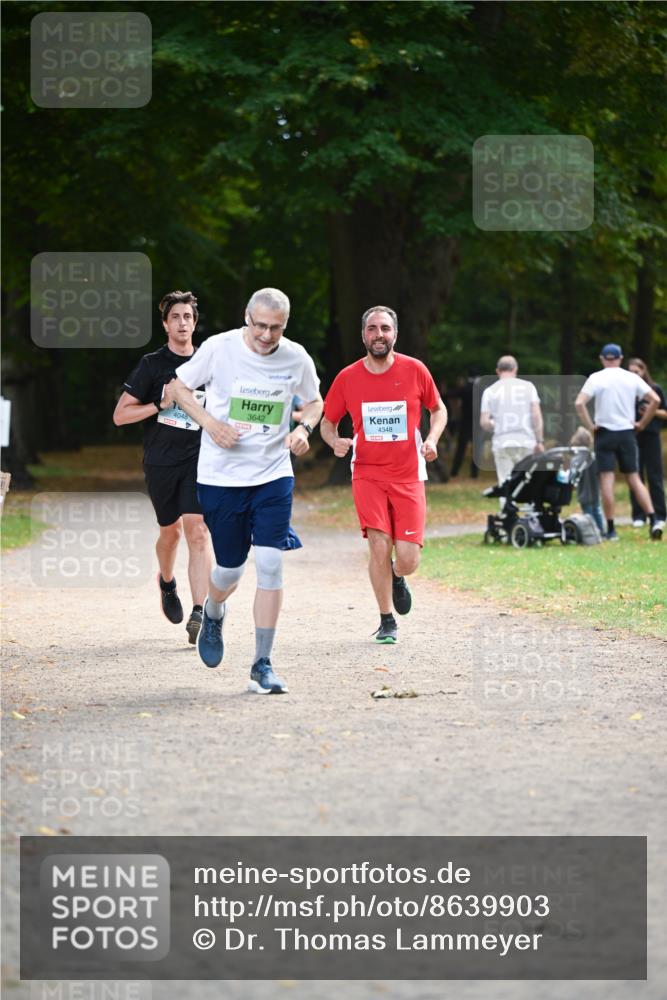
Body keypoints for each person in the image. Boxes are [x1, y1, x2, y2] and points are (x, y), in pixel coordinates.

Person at [170, 287, 323, 693]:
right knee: (230, 569)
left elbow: (314, 402)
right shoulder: (220, 348)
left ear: (284, 326)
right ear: (247, 318)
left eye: (276, 328)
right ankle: (215, 610)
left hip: (273, 475)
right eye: (260, 326)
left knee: (271, 564)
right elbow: (178, 389)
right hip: (221, 478)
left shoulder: (296, 357)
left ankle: (262, 664)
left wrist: (304, 429)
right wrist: (211, 424)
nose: (267, 336)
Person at [320, 306, 447, 644]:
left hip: (408, 474)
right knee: (379, 544)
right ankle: (386, 619)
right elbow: (327, 422)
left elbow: (438, 409)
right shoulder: (347, 377)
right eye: (373, 329)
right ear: (363, 335)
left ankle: (396, 575)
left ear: (395, 334)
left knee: (408, 559)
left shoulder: (415, 370)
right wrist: (334, 442)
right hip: (367, 474)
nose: (379, 334)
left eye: (385, 329)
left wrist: (432, 440)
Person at [113, 291, 212, 643]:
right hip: (161, 462)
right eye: (176, 317)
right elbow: (120, 416)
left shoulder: (209, 364)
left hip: (200, 460)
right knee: (170, 533)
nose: (182, 323)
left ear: (195, 323)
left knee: (197, 531)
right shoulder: (152, 365)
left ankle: (202, 612)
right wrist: (160, 402)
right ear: (166, 324)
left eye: (188, 317)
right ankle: (167, 582)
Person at [574, 343, 661, 541]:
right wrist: (641, 424)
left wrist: (590, 425)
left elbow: (579, 403)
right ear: (620, 358)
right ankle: (653, 519)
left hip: (604, 432)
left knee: (607, 479)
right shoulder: (630, 377)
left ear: (602, 359)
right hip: (627, 433)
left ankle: (611, 529)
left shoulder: (596, 378)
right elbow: (654, 399)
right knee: (634, 478)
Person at [479, 356, 544, 493]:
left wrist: (496, 425)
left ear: (497, 371)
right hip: (526, 441)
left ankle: (506, 512)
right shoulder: (529, 387)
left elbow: (484, 422)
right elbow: (536, 416)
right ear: (515, 369)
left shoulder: (490, 391)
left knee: (505, 483)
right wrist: (539, 440)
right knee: (527, 483)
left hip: (502, 442)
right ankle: (529, 512)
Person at [626, 357, 666, 532]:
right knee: (635, 476)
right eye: (631, 372)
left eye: (637, 371)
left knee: (655, 475)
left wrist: (651, 411)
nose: (634, 374)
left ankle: (660, 514)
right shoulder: (626, 391)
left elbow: (665, 413)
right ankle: (638, 515)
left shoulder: (654, 389)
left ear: (644, 371)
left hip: (651, 435)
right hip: (632, 436)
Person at [570, 426, 605, 536]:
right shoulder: (593, 457)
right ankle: (602, 531)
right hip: (595, 491)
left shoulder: (576, 459)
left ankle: (592, 532)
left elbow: (572, 476)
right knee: (597, 510)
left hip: (584, 492)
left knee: (588, 513)